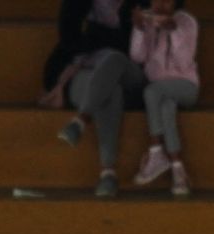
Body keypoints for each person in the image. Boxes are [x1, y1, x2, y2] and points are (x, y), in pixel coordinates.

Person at [49, 0, 148, 198]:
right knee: (111, 92)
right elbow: (69, 40)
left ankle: (81, 120)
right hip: (88, 71)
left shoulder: (138, 4)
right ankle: (107, 173)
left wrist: (136, 27)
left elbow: (133, 48)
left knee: (115, 58)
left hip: (130, 73)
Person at [128, 0, 199, 195]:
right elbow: (137, 57)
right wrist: (139, 28)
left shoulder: (186, 22)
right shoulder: (149, 21)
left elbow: (184, 62)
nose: (161, 4)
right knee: (166, 107)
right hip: (161, 92)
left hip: (185, 85)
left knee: (151, 92)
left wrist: (173, 31)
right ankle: (178, 169)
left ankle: (156, 150)